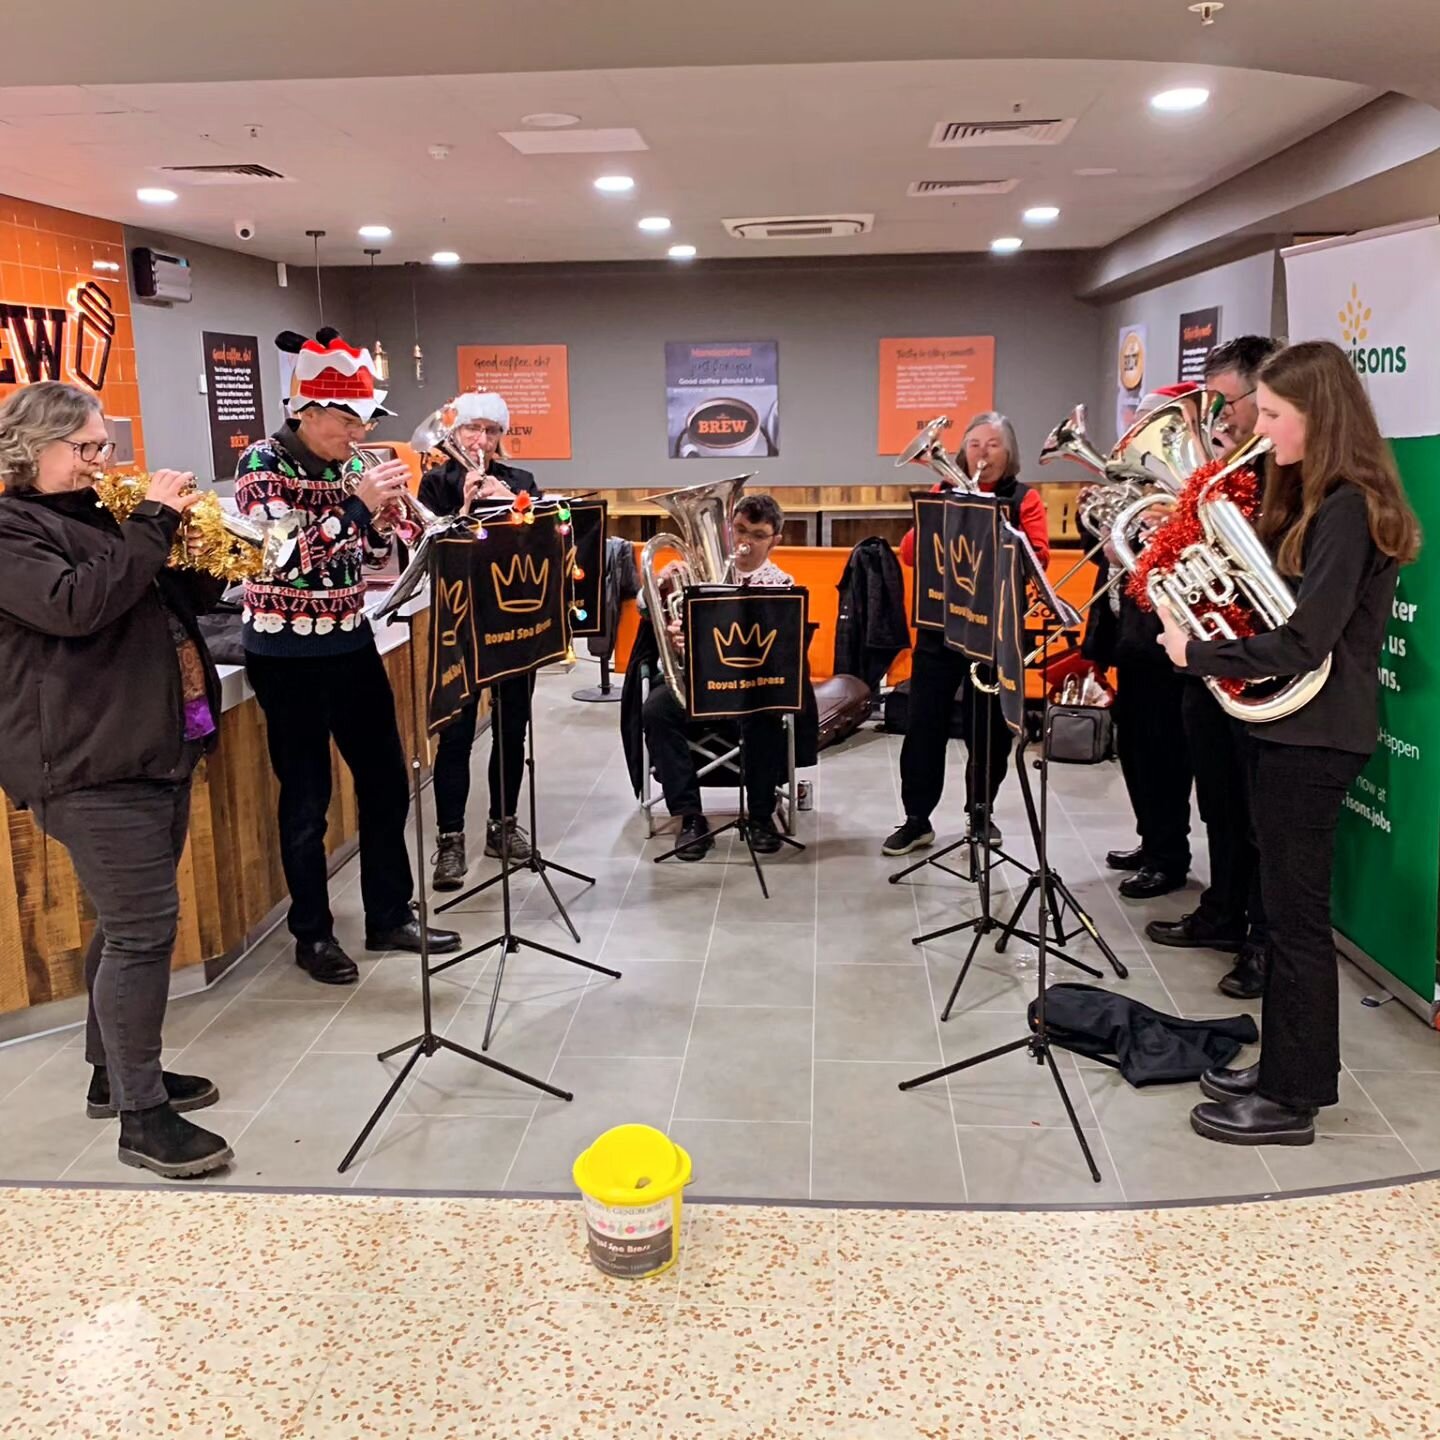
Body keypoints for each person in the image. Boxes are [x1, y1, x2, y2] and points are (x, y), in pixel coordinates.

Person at [1156, 340, 1419, 1145]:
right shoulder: (1322, 498)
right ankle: (1284, 1072)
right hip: (1293, 729)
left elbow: (1305, 642)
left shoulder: (1348, 507)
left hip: (1316, 735)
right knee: (1284, 910)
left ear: (1320, 414)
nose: (1260, 430)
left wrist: (1197, 652)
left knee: (1296, 922)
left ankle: (1292, 1099)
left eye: (1274, 414)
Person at [0, 381, 232, 1178]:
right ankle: (143, 1118)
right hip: (87, 762)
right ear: (35, 449)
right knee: (142, 932)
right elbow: (75, 607)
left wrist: (197, 548)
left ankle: (115, 1074)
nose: (104, 461)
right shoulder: (8, 530)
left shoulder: (98, 516)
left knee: (121, 922)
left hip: (149, 744)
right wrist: (154, 522)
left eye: (105, 446)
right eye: (88, 448)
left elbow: (159, 593)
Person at [236, 330, 460, 985]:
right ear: (304, 411)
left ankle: (389, 913)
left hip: (350, 640)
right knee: (307, 800)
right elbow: (278, 556)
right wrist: (358, 510)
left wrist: (391, 526)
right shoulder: (261, 465)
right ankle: (312, 936)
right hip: (284, 653)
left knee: (387, 780)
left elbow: (352, 559)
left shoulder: (351, 467)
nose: (357, 430)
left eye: (363, 418)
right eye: (344, 418)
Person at [1146, 336, 1281, 996]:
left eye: (1228, 403)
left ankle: (1261, 939)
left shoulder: (1287, 473)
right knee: (1219, 800)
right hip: (1207, 658)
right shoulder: (1224, 471)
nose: (1220, 420)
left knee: (1259, 814)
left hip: (1262, 666)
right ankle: (1222, 909)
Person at [883, 412, 1051, 856]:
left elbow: (1039, 560)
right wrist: (952, 508)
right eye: (974, 444)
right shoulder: (943, 492)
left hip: (992, 633)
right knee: (924, 725)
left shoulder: (1024, 499)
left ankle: (980, 812)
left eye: (993, 444)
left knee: (988, 730)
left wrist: (991, 523)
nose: (982, 453)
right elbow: (909, 553)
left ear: (1009, 452)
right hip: (939, 628)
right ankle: (916, 818)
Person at [420, 392, 541, 889]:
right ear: (455, 432)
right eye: (474, 429)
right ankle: (450, 840)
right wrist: (468, 505)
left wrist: (506, 506)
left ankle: (502, 825)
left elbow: (540, 544)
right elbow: (425, 548)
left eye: (492, 431)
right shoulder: (435, 483)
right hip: (459, 622)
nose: (482, 440)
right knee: (457, 733)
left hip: (513, 619)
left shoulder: (520, 483)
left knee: (513, 729)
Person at [1084, 386, 1195, 899]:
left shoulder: (1186, 491)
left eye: (1150, 424)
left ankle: (1169, 854)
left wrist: (1146, 537)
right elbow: (1107, 556)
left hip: (1165, 645)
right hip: (1131, 639)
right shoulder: (1141, 490)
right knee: (1134, 748)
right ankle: (1152, 840)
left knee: (1162, 751)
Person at [642, 493, 793, 859]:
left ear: (775, 540)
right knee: (655, 710)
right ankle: (689, 816)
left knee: (768, 712)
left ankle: (760, 815)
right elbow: (643, 607)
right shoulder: (692, 571)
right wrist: (663, 603)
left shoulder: (782, 584)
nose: (745, 542)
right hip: (695, 684)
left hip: (750, 686)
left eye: (757, 534)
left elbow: (782, 653)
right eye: (739, 530)